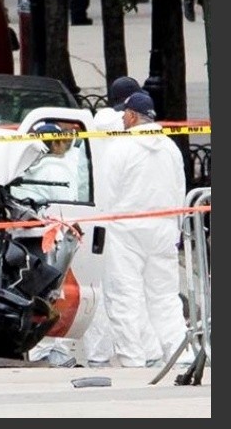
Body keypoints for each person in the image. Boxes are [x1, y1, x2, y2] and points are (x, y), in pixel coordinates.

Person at [102, 92, 193, 368]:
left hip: (125, 230)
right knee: (165, 297)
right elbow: (180, 190)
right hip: (164, 228)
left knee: (125, 296)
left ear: (131, 116)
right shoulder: (170, 148)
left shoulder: (120, 148)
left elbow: (107, 193)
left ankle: (133, 359)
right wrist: (175, 230)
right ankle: (180, 355)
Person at [85, 77, 168, 368]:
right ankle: (158, 353)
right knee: (153, 295)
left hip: (118, 221)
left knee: (121, 294)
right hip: (155, 223)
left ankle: (123, 355)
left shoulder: (109, 128)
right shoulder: (164, 144)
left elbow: (108, 185)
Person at [18, 123, 79, 367]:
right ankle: (54, 347)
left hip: (47, 238)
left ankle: (42, 348)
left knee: (44, 292)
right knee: (57, 292)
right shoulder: (64, 168)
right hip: (62, 236)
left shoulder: (40, 171)